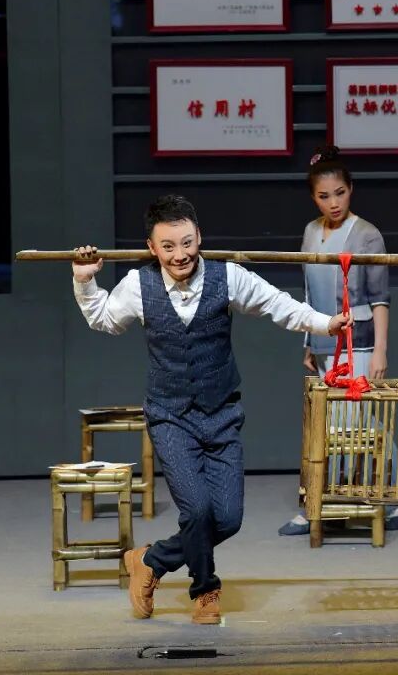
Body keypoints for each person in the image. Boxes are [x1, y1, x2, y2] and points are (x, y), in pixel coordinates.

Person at [72, 194, 351, 624]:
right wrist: (85, 281)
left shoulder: (228, 276)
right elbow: (104, 320)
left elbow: (277, 304)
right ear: (151, 247)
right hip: (170, 416)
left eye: (187, 242)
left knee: (228, 518)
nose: (180, 255)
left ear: (199, 237)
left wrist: (325, 323)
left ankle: (150, 560)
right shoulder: (138, 285)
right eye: (168, 246)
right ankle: (205, 590)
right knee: (198, 511)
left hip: (222, 415)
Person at [278, 145, 398, 535]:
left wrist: (380, 350)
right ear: (313, 197)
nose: (333, 202)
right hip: (323, 338)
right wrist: (308, 341)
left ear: (351, 189)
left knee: (349, 422)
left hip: (359, 340)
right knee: (343, 421)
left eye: (340, 193)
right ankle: (378, 495)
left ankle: (332, 501)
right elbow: (308, 293)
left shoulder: (366, 235)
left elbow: (380, 298)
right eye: (324, 196)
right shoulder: (311, 231)